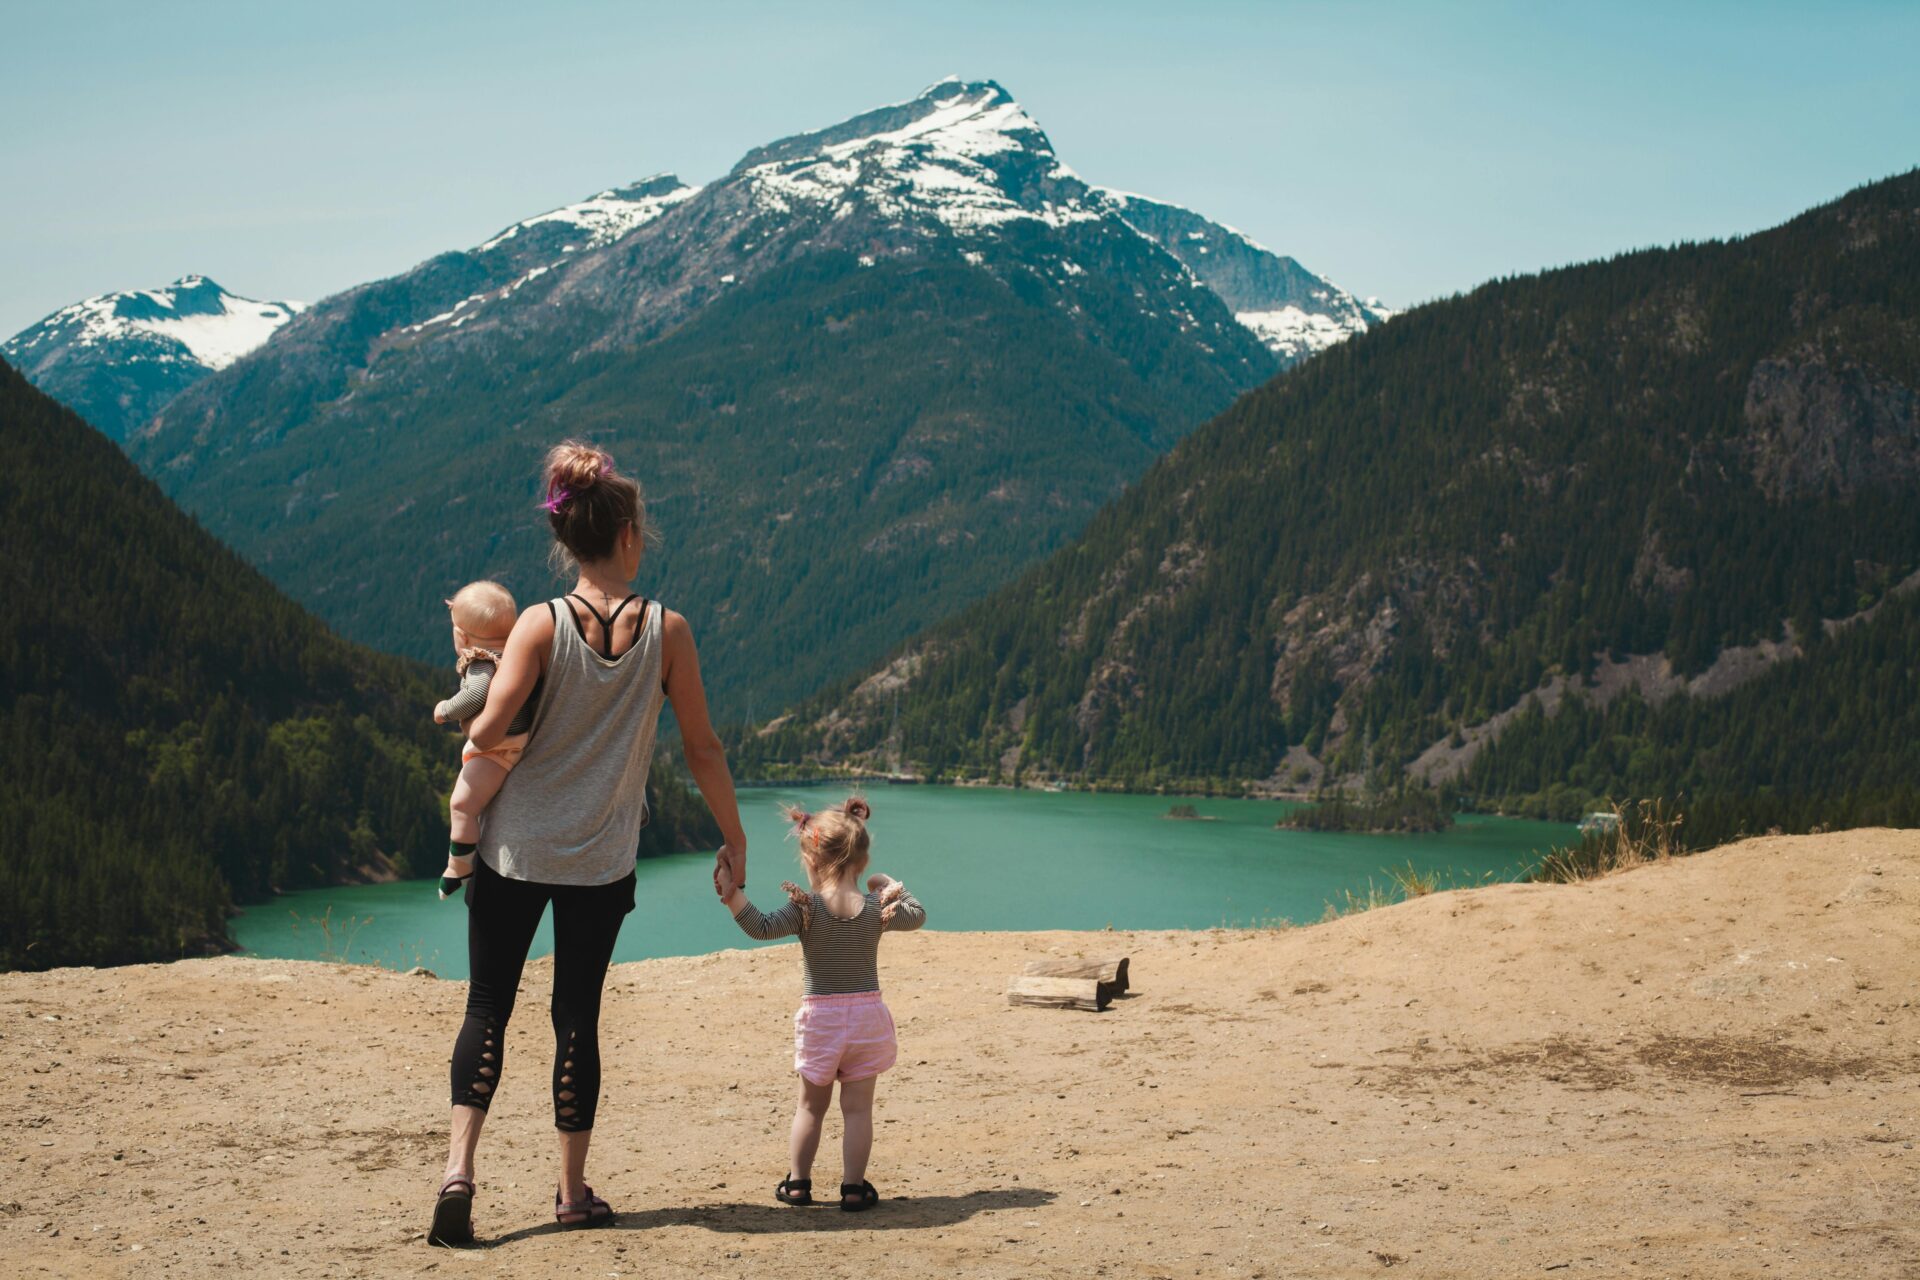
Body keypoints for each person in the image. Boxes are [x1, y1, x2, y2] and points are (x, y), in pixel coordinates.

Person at [428, 441, 748, 1246]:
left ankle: (459, 1175)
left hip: (513, 854)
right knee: (578, 1018)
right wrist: (735, 836)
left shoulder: (538, 623)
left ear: (567, 540)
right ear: (631, 535)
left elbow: (492, 725)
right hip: (601, 861)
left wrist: (477, 715)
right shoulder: (668, 631)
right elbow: (703, 748)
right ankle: (572, 1194)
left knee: (487, 1007)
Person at [717, 797, 926, 1212]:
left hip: (822, 1022)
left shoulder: (806, 909)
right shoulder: (876, 909)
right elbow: (917, 914)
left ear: (810, 862)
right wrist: (888, 883)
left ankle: (798, 1184)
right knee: (858, 1110)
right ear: (862, 863)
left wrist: (732, 895)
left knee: (810, 1107)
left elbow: (759, 927)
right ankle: (852, 1187)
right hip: (867, 1020)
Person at [432, 580, 535, 899]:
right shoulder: (520, 654)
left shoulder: (482, 661)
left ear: (460, 636)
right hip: (522, 739)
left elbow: (475, 696)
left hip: (499, 750)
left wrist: (445, 710)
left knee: (462, 803)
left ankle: (458, 865)